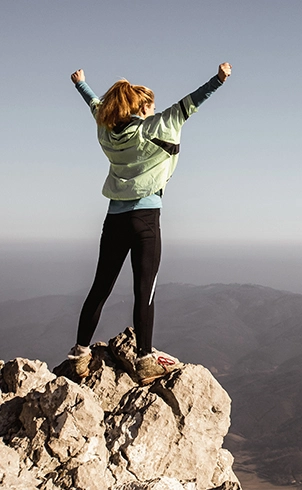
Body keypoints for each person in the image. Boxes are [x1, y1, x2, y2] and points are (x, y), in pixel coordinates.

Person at [68, 62, 232, 385]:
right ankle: (145, 359)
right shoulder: (153, 127)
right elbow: (191, 102)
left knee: (100, 287)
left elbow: (96, 106)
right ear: (140, 107)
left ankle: (79, 355)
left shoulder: (106, 130)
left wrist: (81, 84)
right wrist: (219, 79)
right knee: (144, 291)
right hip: (145, 219)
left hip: (114, 219)